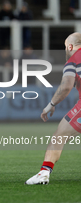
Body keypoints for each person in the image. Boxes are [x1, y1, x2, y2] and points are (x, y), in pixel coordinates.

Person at [25, 32, 81, 185]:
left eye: (65, 47)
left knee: (59, 136)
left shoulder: (73, 60)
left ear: (70, 46)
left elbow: (66, 87)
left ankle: (44, 173)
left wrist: (50, 105)